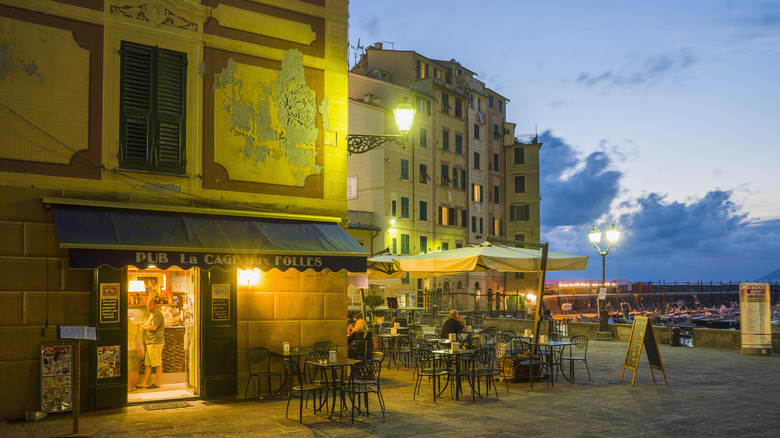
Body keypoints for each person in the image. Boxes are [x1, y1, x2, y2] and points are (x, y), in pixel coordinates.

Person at [139, 299, 165, 389]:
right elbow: (147, 324)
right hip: (150, 342)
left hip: (156, 342)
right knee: (148, 364)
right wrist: (143, 326)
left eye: (150, 305)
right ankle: (144, 382)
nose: (148, 307)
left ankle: (157, 383)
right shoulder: (152, 315)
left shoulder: (158, 315)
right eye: (147, 305)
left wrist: (144, 328)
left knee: (157, 363)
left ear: (155, 305)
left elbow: (153, 328)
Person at [127, 310, 144, 392]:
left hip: (127, 350)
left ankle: (128, 387)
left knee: (129, 370)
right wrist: (141, 350)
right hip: (136, 349)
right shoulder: (137, 325)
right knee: (135, 370)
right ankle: (133, 386)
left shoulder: (124, 326)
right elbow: (139, 338)